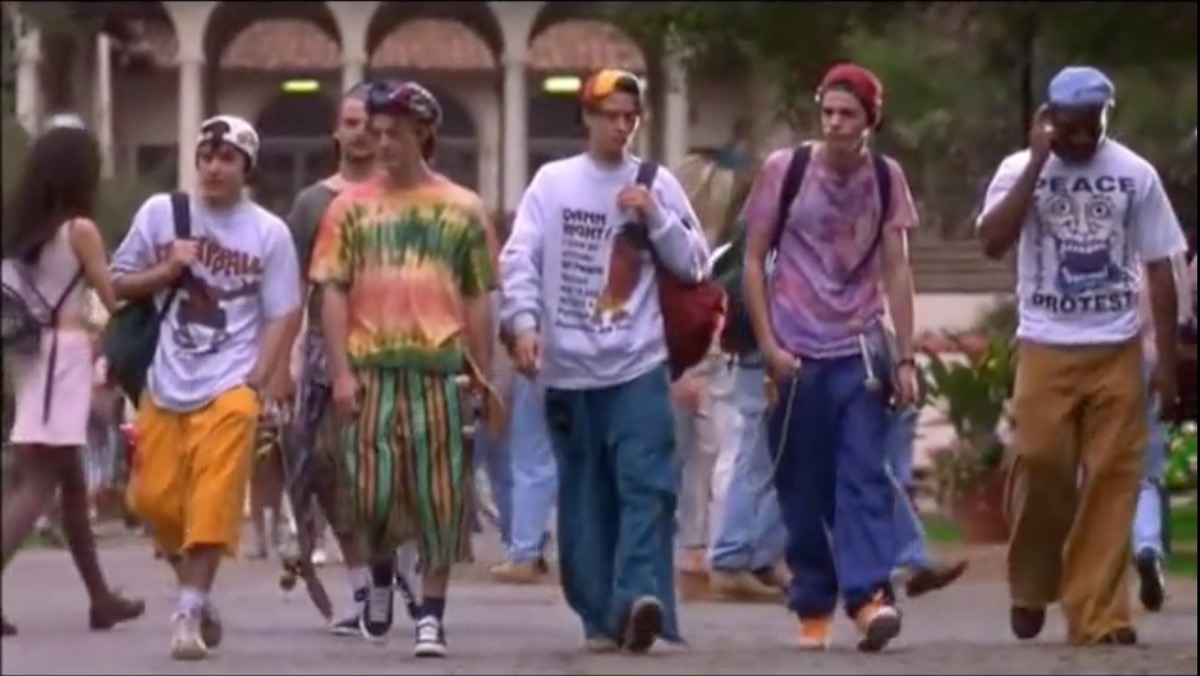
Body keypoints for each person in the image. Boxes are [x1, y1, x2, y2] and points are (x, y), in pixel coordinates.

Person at [499, 68, 710, 653]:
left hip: (638, 361)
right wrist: (524, 324)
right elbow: (519, 258)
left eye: (630, 117)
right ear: (587, 117)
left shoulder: (656, 182)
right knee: (585, 499)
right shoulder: (553, 183)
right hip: (568, 368)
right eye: (610, 115)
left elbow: (697, 263)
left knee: (648, 485)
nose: (621, 126)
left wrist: (656, 217)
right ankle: (598, 613)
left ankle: (639, 598)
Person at [976, 66, 1185, 645]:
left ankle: (1099, 616)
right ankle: (1032, 583)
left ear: (1106, 117)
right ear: (1048, 119)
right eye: (1069, 127)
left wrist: (1166, 367)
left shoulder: (1135, 174)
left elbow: (1161, 267)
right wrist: (1037, 164)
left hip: (1116, 347)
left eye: (1093, 126)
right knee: (1041, 463)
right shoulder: (1018, 170)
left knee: (1113, 481)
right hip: (1045, 345)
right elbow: (992, 241)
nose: (1082, 138)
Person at [309, 79, 496, 658]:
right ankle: (383, 577)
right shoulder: (348, 208)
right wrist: (340, 372)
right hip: (372, 369)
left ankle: (431, 617)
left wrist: (482, 375)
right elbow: (333, 292)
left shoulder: (462, 208)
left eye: (393, 133)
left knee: (441, 498)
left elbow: (478, 296)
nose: (381, 143)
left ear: (423, 134)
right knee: (371, 494)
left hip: (438, 369)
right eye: (376, 132)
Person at [741, 63, 920, 653]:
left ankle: (870, 598)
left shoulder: (886, 178)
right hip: (795, 352)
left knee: (864, 475)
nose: (837, 123)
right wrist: (770, 346)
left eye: (849, 114)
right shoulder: (785, 170)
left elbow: (897, 267)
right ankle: (813, 601)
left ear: (871, 119)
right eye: (829, 112)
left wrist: (906, 357)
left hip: (859, 350)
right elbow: (753, 261)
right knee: (802, 487)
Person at [113, 114, 302, 660]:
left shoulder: (268, 233)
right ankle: (193, 592)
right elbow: (119, 282)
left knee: (214, 500)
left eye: (227, 158)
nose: (214, 167)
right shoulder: (162, 213)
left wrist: (258, 379)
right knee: (152, 501)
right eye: (206, 156)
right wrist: (166, 271)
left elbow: (283, 311)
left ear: (247, 167)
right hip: (165, 379)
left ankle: (189, 612)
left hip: (230, 383)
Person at [0, 119, 145, 638]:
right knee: (38, 484)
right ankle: (100, 597)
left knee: (71, 483)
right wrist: (163, 275)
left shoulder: (20, 230)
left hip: (28, 354)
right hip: (63, 357)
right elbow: (112, 296)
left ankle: (100, 598)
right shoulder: (79, 230)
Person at [283, 82, 399, 638]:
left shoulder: (406, 197)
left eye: (372, 125)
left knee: (387, 476)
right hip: (325, 353)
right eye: (352, 123)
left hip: (394, 350)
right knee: (330, 472)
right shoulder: (313, 204)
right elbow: (289, 287)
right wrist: (286, 364)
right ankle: (360, 588)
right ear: (336, 131)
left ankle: (388, 572)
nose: (362, 135)